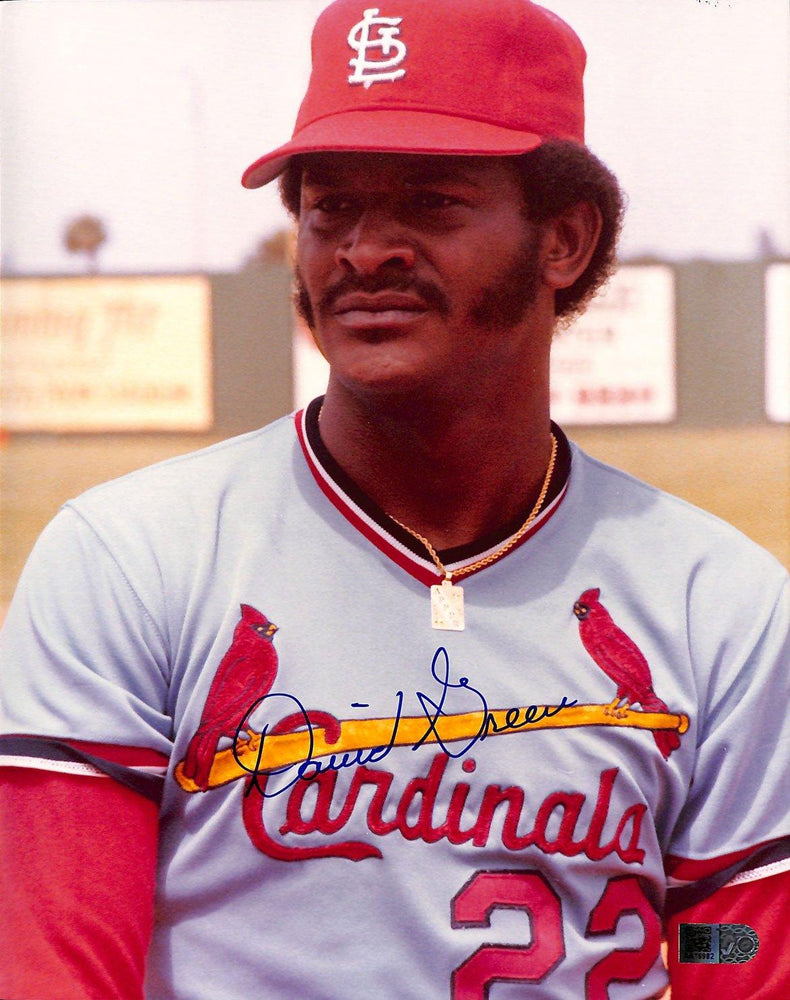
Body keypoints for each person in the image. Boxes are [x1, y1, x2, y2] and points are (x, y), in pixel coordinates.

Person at [1, 1, 788, 997]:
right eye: (329, 208)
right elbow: (58, 962)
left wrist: (702, 939)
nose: (365, 249)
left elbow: (741, 949)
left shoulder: (719, 601)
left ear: (564, 239)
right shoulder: (131, 559)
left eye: (433, 202)